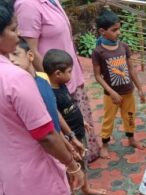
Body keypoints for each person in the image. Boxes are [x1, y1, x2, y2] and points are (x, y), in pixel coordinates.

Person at [0, 2, 94, 195]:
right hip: (35, 181)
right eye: (14, 30)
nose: (18, 37)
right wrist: (72, 165)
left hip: (8, 183)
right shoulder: (16, 79)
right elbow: (46, 134)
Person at [14, 0, 101, 162]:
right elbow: (30, 51)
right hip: (55, 81)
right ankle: (73, 165)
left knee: (78, 118)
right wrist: (50, 83)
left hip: (67, 75)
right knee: (65, 124)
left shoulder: (51, 1)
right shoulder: (27, 5)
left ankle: (84, 160)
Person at [43, 49, 107, 195]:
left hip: (78, 132)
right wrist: (68, 138)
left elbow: (70, 105)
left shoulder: (62, 85)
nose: (71, 75)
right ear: (57, 73)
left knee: (82, 162)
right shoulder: (50, 94)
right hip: (68, 138)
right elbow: (57, 117)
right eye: (69, 71)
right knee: (72, 169)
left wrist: (83, 120)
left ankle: (86, 187)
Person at [9, 37, 85, 163]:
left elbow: (54, 113)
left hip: (61, 138)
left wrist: (70, 137)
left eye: (15, 54)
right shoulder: (23, 89)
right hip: (48, 146)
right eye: (7, 57)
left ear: (30, 55)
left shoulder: (44, 79)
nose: (12, 60)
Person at [92, 9, 146, 159]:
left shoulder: (123, 47)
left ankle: (131, 139)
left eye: (119, 28)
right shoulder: (98, 52)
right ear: (103, 31)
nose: (118, 32)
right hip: (111, 95)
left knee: (129, 116)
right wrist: (112, 92)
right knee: (108, 120)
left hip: (128, 91)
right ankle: (104, 145)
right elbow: (97, 76)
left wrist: (140, 89)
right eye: (114, 30)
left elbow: (131, 69)